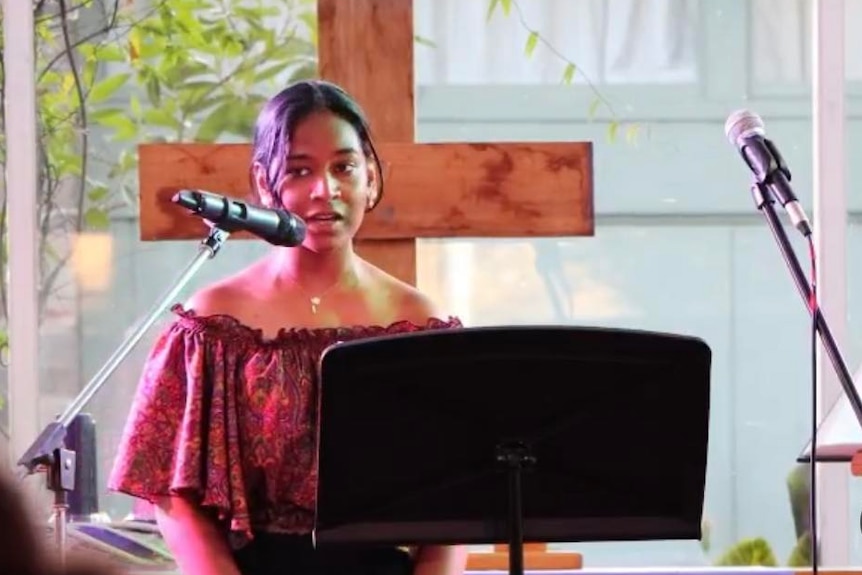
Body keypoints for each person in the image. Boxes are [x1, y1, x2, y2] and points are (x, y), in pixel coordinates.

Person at [107, 80, 469, 575]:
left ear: (372, 178)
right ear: (264, 181)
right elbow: (174, 489)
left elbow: (458, 497)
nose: (327, 189)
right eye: (301, 170)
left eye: (344, 167)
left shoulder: (419, 323)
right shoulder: (213, 321)